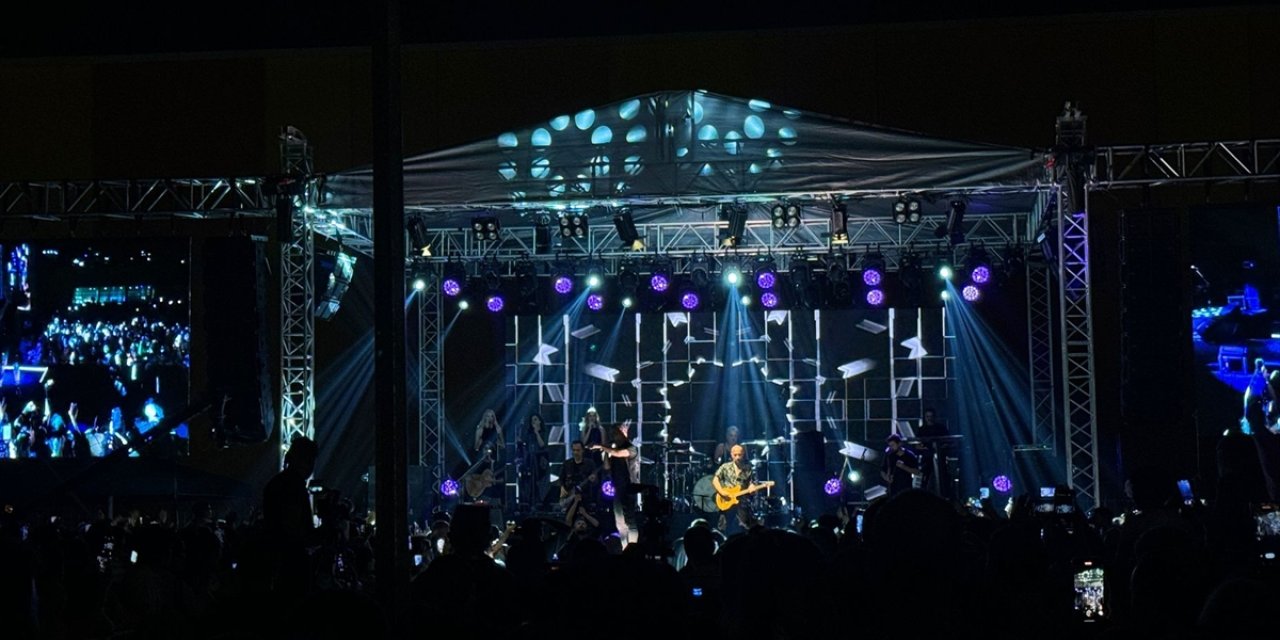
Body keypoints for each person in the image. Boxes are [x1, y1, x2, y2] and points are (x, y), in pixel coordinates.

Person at [591, 421, 639, 548]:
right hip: (617, 488)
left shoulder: (631, 448)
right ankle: (624, 548)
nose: (614, 437)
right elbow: (607, 466)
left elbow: (619, 453)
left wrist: (602, 446)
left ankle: (633, 548)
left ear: (623, 433)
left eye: (616, 434)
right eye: (612, 434)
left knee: (630, 521)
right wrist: (606, 450)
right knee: (620, 522)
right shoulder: (613, 449)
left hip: (629, 488)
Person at [711, 444, 763, 535]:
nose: (738, 457)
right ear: (731, 455)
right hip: (726, 503)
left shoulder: (748, 468)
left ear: (743, 454)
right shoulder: (725, 467)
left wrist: (752, 488)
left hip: (742, 504)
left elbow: (752, 482)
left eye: (740, 454)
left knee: (744, 529)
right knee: (725, 529)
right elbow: (715, 480)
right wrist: (722, 492)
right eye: (735, 455)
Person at [516, 413, 549, 509]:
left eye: (535, 419)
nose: (533, 422)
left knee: (541, 482)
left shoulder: (543, 432)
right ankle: (531, 503)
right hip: (531, 459)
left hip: (541, 459)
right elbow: (522, 442)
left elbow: (542, 444)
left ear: (539, 421)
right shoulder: (529, 434)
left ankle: (541, 503)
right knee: (530, 481)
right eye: (532, 420)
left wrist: (537, 432)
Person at [559, 440, 598, 509]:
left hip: (585, 497)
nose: (575, 452)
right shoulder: (567, 464)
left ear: (583, 450)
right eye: (574, 450)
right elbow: (561, 478)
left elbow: (595, 482)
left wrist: (593, 480)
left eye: (578, 450)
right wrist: (562, 488)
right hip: (569, 496)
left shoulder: (590, 464)